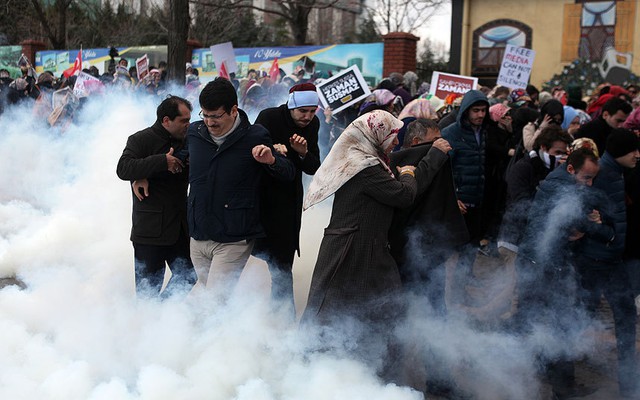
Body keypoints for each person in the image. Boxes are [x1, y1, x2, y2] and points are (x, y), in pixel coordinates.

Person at [302, 110, 418, 386]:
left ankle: (360, 367)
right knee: (334, 311)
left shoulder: (368, 160)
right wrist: (410, 173)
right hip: (353, 247)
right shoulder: (365, 166)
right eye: (392, 136)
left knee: (357, 309)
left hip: (359, 244)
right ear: (375, 135)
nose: (396, 143)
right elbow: (403, 196)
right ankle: (317, 369)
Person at [187, 78, 295, 300]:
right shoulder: (194, 133)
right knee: (210, 297)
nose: (209, 122)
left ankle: (228, 334)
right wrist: (150, 170)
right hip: (198, 233)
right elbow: (180, 159)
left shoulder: (255, 136)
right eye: (205, 115)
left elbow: (288, 172)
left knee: (216, 300)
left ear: (233, 110)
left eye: (216, 116)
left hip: (233, 235)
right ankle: (231, 329)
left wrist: (270, 161)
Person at [518, 148, 609, 399]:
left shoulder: (564, 183)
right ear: (570, 169)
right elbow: (568, 222)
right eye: (586, 178)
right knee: (559, 323)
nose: (589, 184)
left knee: (542, 320)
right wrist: (592, 224)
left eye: (593, 179)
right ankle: (562, 388)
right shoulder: (559, 186)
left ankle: (549, 374)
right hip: (542, 266)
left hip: (544, 264)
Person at [574, 129, 639, 398]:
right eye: (633, 150)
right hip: (598, 260)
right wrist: (607, 234)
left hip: (616, 259)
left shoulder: (624, 172)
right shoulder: (599, 176)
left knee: (623, 316)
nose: (638, 154)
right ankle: (558, 368)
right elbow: (582, 217)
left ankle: (628, 383)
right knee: (579, 315)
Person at [116, 95, 196, 296]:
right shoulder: (140, 139)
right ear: (166, 120)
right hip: (150, 232)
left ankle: (163, 313)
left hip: (179, 228)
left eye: (189, 120)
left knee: (189, 275)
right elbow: (123, 168)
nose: (188, 125)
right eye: (183, 121)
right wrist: (161, 162)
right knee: (147, 291)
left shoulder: (190, 139)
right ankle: (147, 323)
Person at [252, 83, 322, 313]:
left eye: (312, 112)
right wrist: (271, 150)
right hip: (258, 199)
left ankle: (282, 318)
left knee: (282, 267)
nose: (308, 117)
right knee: (245, 259)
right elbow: (249, 150)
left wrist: (302, 153)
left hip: (287, 203)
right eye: (303, 111)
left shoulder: (313, 125)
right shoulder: (269, 117)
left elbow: (314, 168)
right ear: (292, 106)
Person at [441, 89, 490, 306]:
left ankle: (461, 292)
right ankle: (444, 296)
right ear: (466, 111)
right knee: (451, 252)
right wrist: (452, 197)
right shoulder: (452, 132)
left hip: (477, 200)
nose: (480, 114)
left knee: (470, 251)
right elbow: (442, 167)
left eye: (483, 110)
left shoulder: (486, 132)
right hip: (458, 203)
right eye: (476, 110)